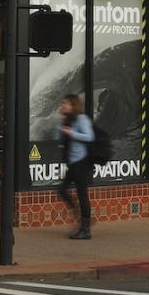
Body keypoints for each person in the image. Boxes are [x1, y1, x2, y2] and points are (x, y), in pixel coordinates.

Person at [57, 93, 95, 240]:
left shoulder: (81, 119)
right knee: (62, 190)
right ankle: (80, 215)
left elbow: (89, 136)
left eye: (65, 103)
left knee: (82, 195)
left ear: (73, 105)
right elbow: (61, 139)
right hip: (73, 163)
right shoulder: (67, 120)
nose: (63, 105)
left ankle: (85, 229)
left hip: (82, 163)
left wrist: (72, 133)